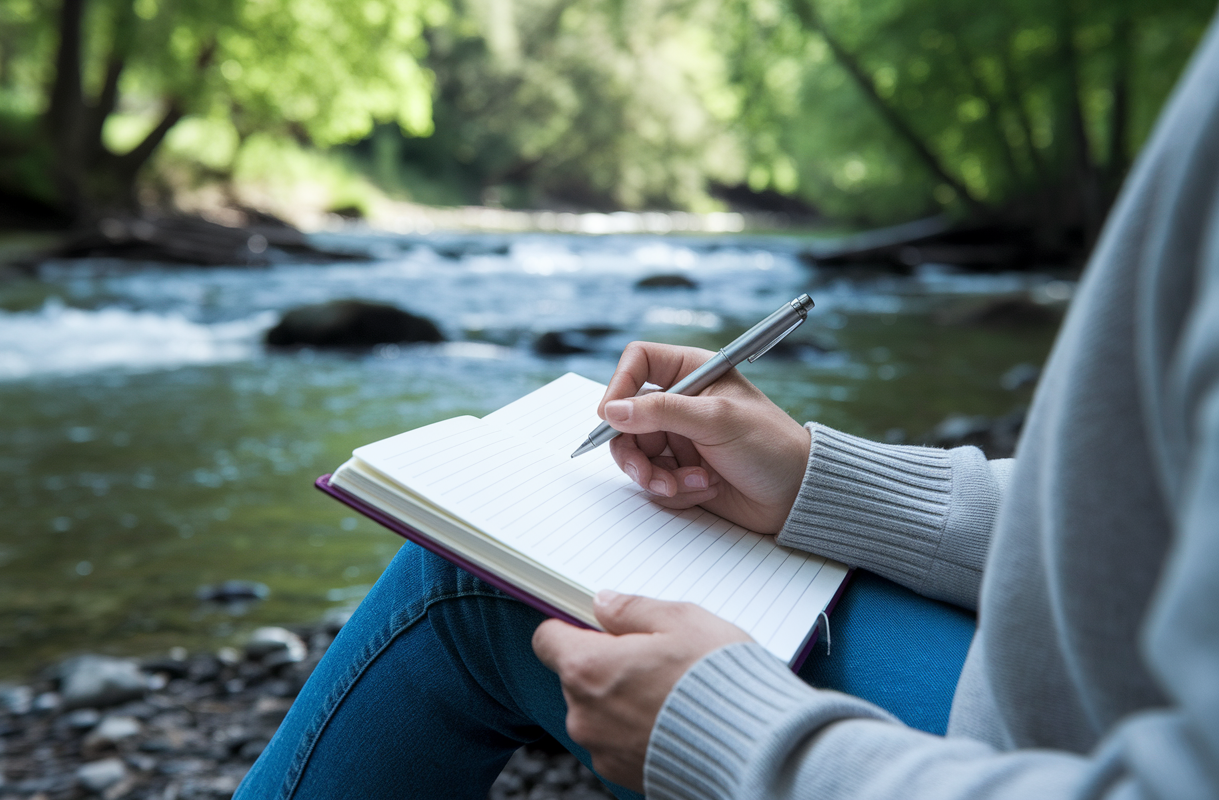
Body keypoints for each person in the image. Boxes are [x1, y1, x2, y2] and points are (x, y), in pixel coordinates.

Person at [235, 16, 1219, 800]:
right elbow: (1143, 516)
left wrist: (741, 741)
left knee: (463, 584)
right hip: (1048, 708)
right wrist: (811, 477)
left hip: (1023, 752)